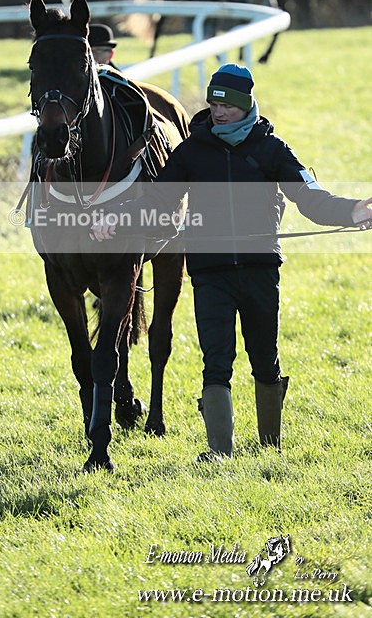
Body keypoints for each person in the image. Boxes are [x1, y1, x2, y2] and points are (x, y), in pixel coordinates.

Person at [91, 63, 372, 461]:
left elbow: (311, 198)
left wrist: (353, 211)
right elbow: (157, 203)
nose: (219, 112)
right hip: (210, 272)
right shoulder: (190, 152)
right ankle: (219, 452)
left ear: (246, 104)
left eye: (228, 105)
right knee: (216, 361)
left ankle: (269, 446)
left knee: (264, 358)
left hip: (260, 268)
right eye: (214, 103)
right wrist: (116, 219)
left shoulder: (272, 149)